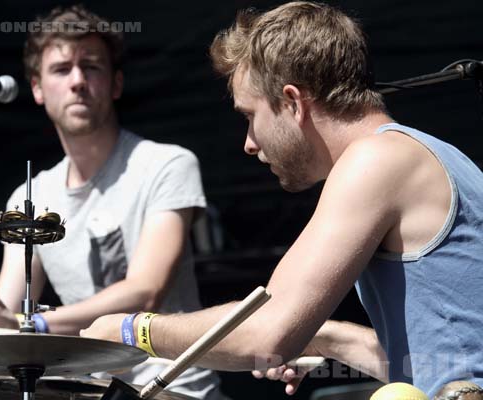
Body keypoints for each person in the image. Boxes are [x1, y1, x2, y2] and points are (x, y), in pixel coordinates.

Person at [82, 1, 483, 398]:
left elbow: (266, 336)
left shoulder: (376, 159)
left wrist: (133, 330)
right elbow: (439, 360)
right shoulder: (429, 153)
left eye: (249, 116)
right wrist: (326, 337)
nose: (249, 144)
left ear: (292, 102)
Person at [0, 5, 225, 399]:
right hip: (89, 392)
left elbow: (145, 291)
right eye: (61, 69)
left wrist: (32, 324)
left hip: (174, 390)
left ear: (116, 83)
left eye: (91, 67)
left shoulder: (167, 164)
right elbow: (2, 324)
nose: (77, 81)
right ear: (37, 88)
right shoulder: (30, 196)